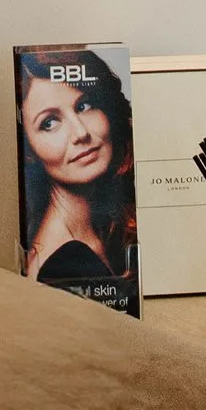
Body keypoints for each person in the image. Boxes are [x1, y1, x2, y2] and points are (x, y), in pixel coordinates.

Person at [14, 49, 137, 313]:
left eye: (84, 106)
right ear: (30, 151)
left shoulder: (108, 227)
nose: (80, 133)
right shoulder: (59, 264)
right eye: (49, 123)